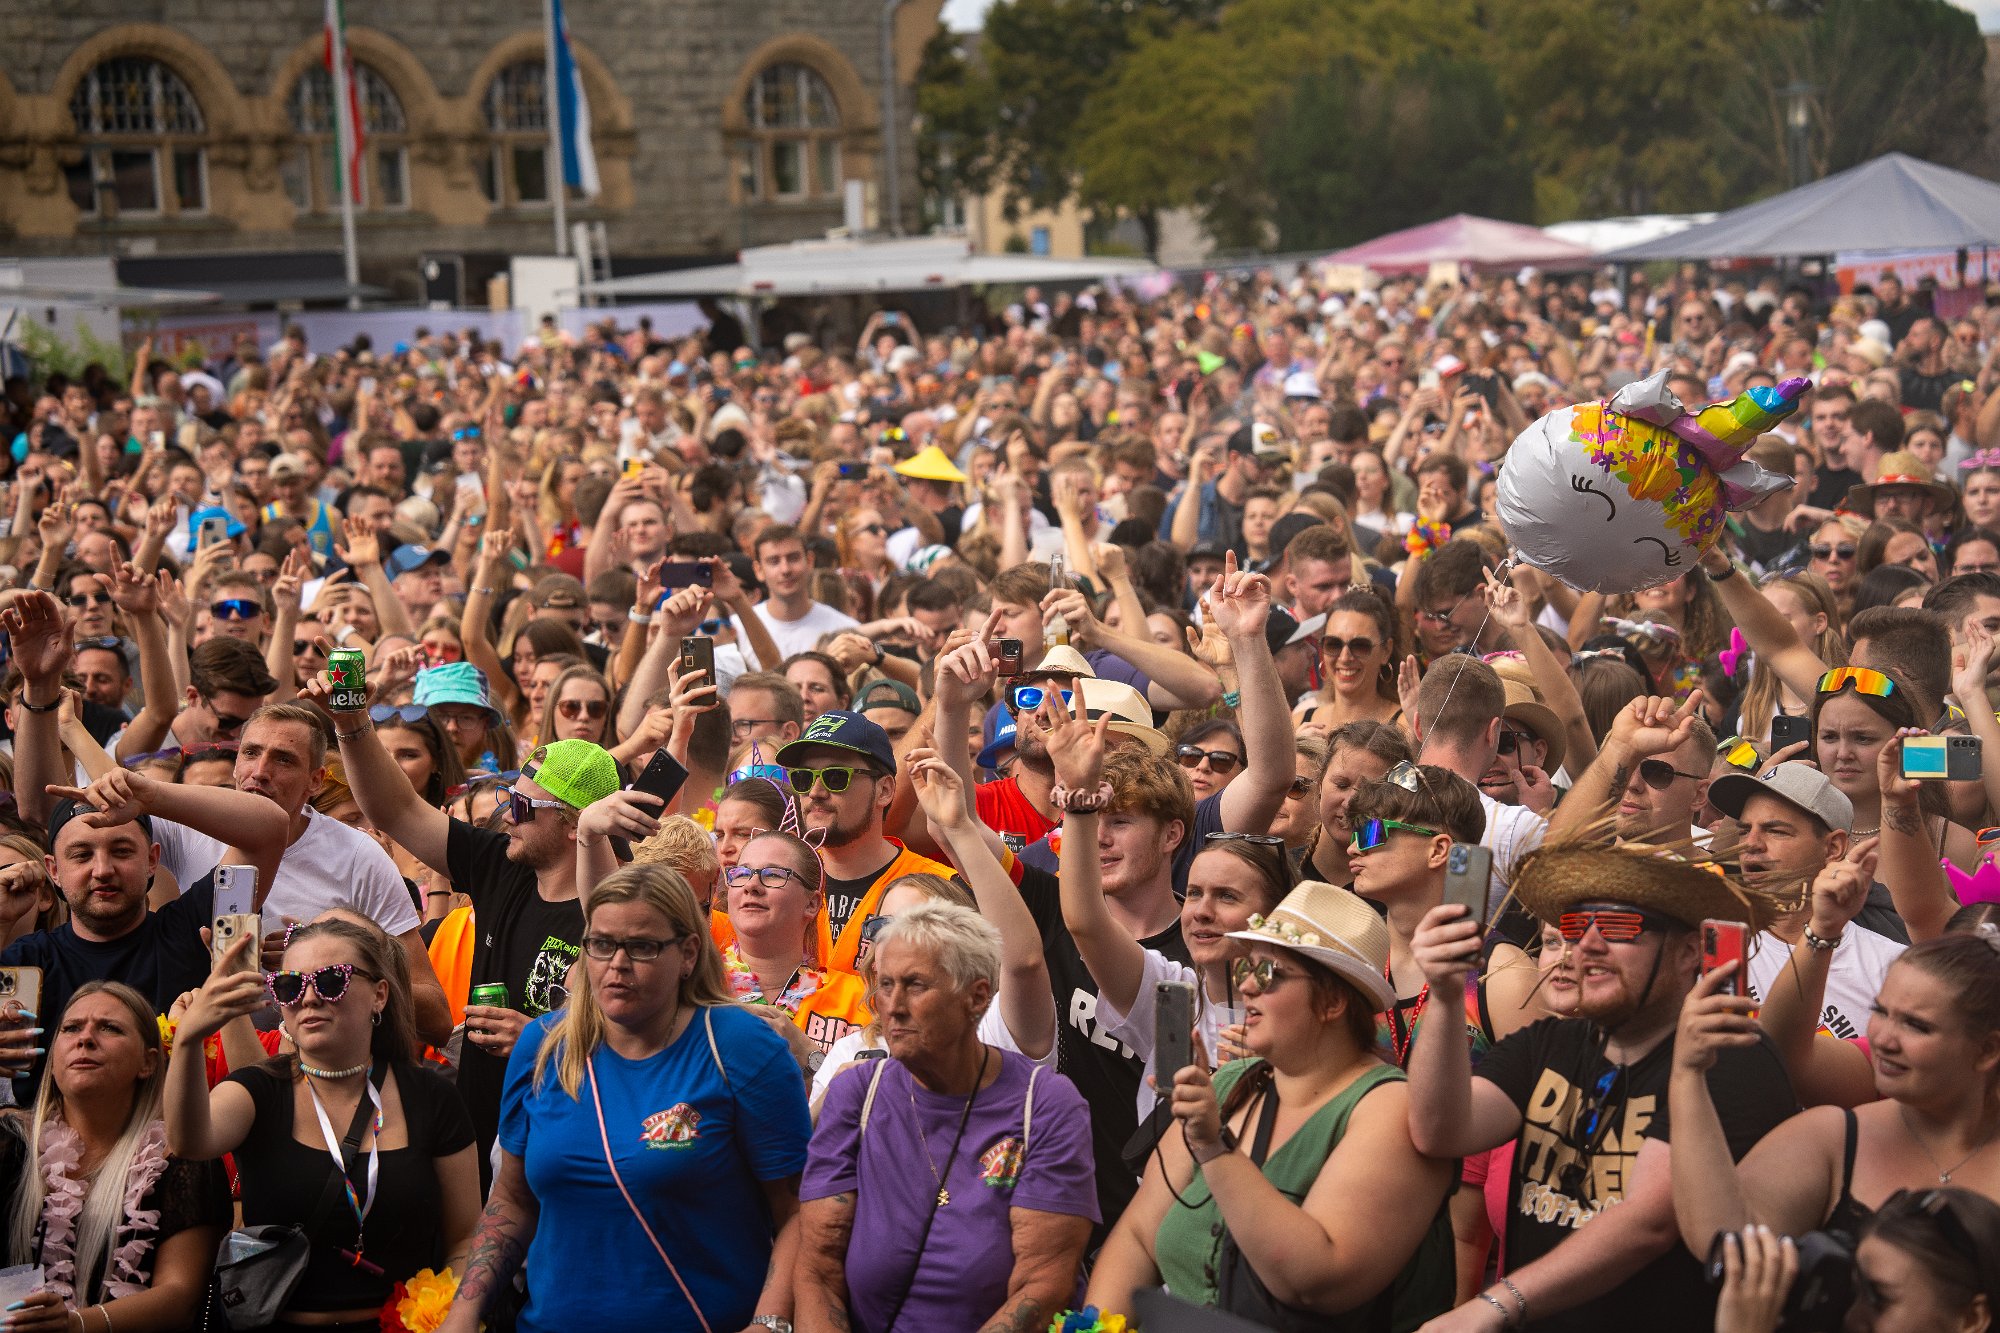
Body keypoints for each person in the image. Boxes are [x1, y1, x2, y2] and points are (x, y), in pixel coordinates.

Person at [1404, 840, 1796, 1332]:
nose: (1585, 945)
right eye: (1575, 926)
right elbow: (1441, 1130)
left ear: (1688, 952)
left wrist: (1493, 1307)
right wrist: (1444, 994)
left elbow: (1648, 1222)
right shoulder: (1549, 1043)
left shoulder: (1729, 1054)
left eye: (1616, 928)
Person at [440, 864, 810, 1333]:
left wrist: (769, 1323)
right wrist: (462, 1314)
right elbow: (512, 1201)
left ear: (688, 954)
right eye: (601, 944)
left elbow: (798, 1211)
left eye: (642, 947)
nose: (617, 963)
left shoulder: (742, 1048)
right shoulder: (542, 1046)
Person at [1087, 881, 1456, 1330]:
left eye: (1268, 973)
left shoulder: (1389, 1108)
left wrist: (1213, 1147)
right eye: (1247, 967)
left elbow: (1315, 1280)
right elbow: (1137, 1237)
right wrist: (1092, 1328)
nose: (1245, 985)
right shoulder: (1229, 1085)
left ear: (1333, 1001)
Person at [324, 652, 623, 1172]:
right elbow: (394, 808)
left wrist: (538, 1039)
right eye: (508, 798)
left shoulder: (621, 908)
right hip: (478, 1136)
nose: (507, 817)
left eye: (523, 808)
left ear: (576, 825)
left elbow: (637, 1034)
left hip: (568, 1147)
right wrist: (351, 723)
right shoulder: (502, 864)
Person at [166, 917, 480, 1329]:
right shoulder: (259, 1090)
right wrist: (189, 1040)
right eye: (290, 986)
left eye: (333, 981)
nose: (310, 997)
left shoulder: (431, 1097)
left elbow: (466, 1236)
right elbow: (189, 1140)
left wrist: (453, 1315)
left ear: (379, 995)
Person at [798, 902, 1097, 1332]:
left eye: (915, 985)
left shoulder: (1045, 1105)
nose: (893, 1006)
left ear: (977, 997)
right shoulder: (855, 1096)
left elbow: (1044, 1285)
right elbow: (818, 1271)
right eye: (886, 985)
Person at [1671, 923, 2000, 1283]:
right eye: (1879, 1011)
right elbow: (1725, 1239)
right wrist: (1687, 1076)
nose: (1884, 1039)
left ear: (1988, 1050)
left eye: (1916, 1025)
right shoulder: (1834, 1137)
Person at [0, 768, 288, 1096]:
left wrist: (152, 796)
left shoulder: (195, 928)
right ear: (54, 870)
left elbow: (271, 828)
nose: (102, 870)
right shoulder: (28, 959)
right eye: (82, 855)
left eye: (122, 851)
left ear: (152, 860)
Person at [0, 983, 229, 1333]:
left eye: (109, 1028)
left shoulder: (182, 1158)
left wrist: (75, 1325)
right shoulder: (11, 1142)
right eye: (71, 1028)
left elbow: (180, 1297)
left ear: (148, 1062)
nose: (85, 1038)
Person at [774, 710, 957, 976]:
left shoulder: (939, 890)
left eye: (836, 777)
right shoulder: (776, 880)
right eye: (803, 778)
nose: (815, 792)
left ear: (884, 790)